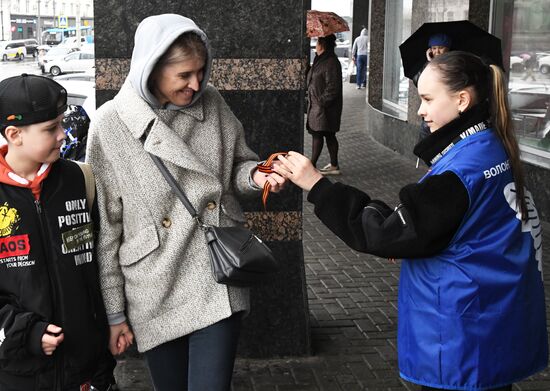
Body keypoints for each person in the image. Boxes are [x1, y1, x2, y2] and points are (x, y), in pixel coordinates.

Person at [275, 51, 548, 391]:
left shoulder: (460, 171)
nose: (420, 110)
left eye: (428, 99)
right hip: (492, 328)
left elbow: (383, 235)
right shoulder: (492, 147)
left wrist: (317, 185)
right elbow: (441, 227)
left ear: (462, 99)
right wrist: (410, 235)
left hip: (460, 342)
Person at [85, 14, 285, 391]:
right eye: (183, 75)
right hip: (154, 284)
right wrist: (114, 313)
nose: (196, 84)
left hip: (215, 272)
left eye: (201, 71)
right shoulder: (111, 124)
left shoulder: (212, 104)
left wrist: (256, 175)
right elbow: (107, 229)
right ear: (152, 69)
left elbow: (238, 165)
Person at [0, 74, 115, 390]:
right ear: (14, 134)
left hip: (88, 370)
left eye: (62, 123)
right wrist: (26, 333)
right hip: (20, 375)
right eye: (51, 128)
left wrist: (113, 325)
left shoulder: (80, 179)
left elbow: (101, 265)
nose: (63, 135)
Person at [307, 34, 343, 175]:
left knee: (319, 134)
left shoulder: (331, 62)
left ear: (323, 44)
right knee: (328, 135)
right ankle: (334, 165)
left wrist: (322, 102)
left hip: (324, 108)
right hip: (318, 106)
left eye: (317, 41)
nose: (315, 44)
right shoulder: (321, 60)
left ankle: (311, 166)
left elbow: (333, 87)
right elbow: (314, 78)